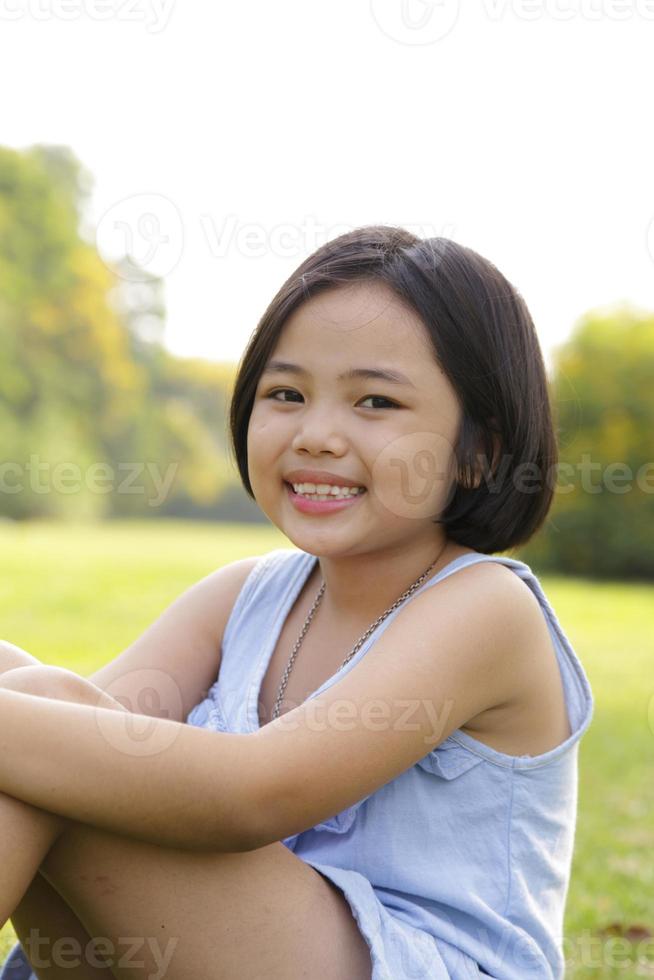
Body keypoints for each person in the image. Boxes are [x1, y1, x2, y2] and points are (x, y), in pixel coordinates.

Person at [0, 225, 593, 979]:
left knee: (36, 713)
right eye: (286, 394)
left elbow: (253, 795)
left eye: (375, 402)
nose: (316, 434)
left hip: (414, 963)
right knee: (28, 695)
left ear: (481, 450)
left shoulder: (485, 610)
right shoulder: (243, 597)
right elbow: (74, 737)